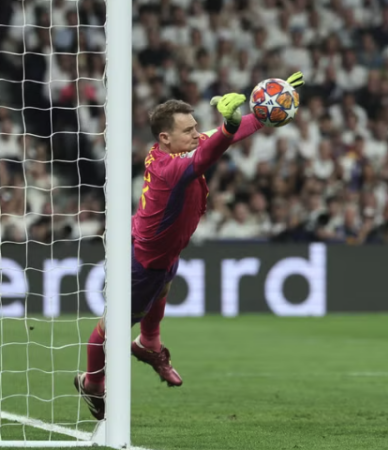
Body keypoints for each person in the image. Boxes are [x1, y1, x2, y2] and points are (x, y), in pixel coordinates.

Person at [74, 72, 304, 420]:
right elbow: (208, 153)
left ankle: (149, 344)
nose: (197, 134)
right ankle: (92, 382)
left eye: (197, 126)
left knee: (164, 287)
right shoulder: (171, 168)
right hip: (143, 261)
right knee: (112, 327)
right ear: (165, 138)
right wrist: (226, 127)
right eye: (188, 130)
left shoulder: (173, 150)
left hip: (161, 252)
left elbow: (216, 138)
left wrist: (266, 106)